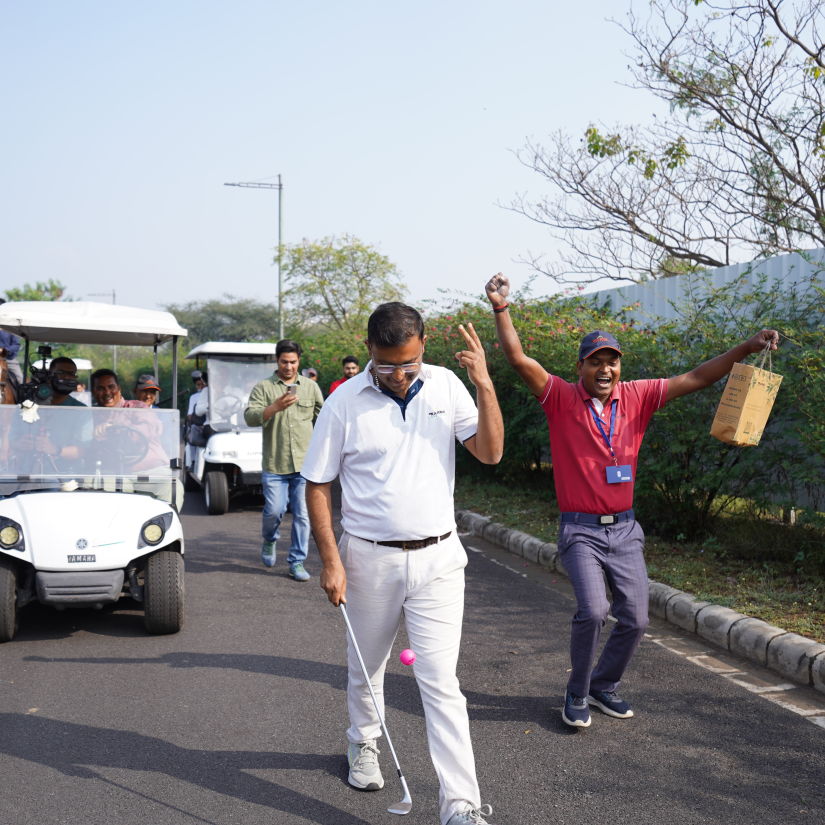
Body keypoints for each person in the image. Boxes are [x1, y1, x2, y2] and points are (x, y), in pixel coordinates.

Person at [484, 272, 780, 729]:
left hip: (624, 529)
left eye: (613, 362)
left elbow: (698, 376)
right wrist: (502, 309)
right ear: (580, 366)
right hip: (580, 529)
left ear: (620, 367)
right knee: (594, 610)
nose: (605, 370)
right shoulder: (559, 398)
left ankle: (604, 685)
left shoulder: (638, 396)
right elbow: (519, 357)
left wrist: (745, 347)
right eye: (595, 362)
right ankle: (577, 691)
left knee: (637, 619)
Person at [302, 303, 504, 825]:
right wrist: (331, 560)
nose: (400, 375)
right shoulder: (343, 403)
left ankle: (460, 804)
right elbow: (318, 484)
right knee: (367, 666)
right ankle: (364, 742)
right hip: (368, 559)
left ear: (423, 345)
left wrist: (484, 383)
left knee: (440, 680)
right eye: (389, 365)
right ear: (369, 349)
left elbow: (490, 452)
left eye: (410, 363)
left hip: (439, 556)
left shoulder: (445, 386)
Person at [244, 339, 324, 581]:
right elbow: (250, 418)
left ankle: (296, 562)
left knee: (302, 514)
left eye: (293, 362)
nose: (288, 367)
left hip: (304, 464)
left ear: (299, 361)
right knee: (274, 511)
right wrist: (276, 406)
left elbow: (325, 418)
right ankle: (269, 539)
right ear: (276, 361)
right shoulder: (264, 387)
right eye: (284, 362)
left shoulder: (310, 387)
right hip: (275, 463)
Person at [0, 299, 23, 385]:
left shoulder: (10, 327)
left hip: (8, 359)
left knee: (20, 379)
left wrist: (5, 350)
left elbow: (16, 345)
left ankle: (24, 398)